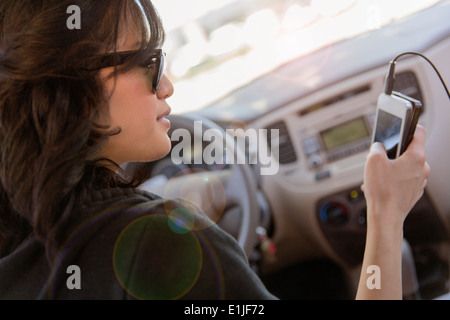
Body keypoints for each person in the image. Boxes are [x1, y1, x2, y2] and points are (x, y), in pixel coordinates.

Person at [0, 0, 430, 300]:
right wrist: (387, 213)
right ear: (73, 88)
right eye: (150, 64)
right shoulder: (158, 246)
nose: (167, 85)